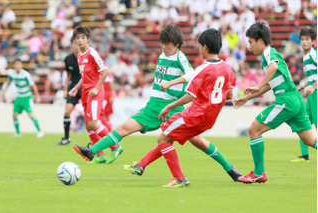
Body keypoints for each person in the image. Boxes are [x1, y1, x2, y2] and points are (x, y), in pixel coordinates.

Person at [72, 25, 242, 185]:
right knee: (130, 129)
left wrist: (171, 84)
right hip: (153, 105)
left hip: (171, 106)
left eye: (167, 44)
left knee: (172, 139)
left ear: (177, 44)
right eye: (162, 43)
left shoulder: (180, 57)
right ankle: (95, 152)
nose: (164, 47)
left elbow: (190, 73)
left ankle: (168, 173)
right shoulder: (162, 56)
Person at [123, 28, 242, 187]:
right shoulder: (228, 68)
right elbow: (228, 95)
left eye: (199, 46)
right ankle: (229, 168)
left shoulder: (202, 69)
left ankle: (179, 178)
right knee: (192, 140)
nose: (199, 49)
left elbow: (190, 96)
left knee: (163, 138)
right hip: (210, 118)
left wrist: (169, 107)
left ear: (205, 47)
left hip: (195, 115)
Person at [232, 22, 317, 184]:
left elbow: (273, 67)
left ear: (260, 41)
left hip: (286, 100)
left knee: (254, 129)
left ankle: (258, 174)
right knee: (310, 140)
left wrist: (257, 85)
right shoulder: (269, 54)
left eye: (250, 42)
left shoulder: (268, 53)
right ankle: (258, 173)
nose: (249, 47)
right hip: (296, 99)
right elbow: (270, 83)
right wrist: (246, 98)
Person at [69, 26, 122, 164]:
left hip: (95, 92)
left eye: (83, 38)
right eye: (77, 38)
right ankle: (101, 155)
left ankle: (115, 146)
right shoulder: (80, 56)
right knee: (88, 125)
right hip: (86, 92)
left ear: (88, 39)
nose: (80, 40)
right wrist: (76, 88)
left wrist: (97, 88)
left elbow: (105, 71)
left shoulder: (92, 52)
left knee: (93, 123)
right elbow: (84, 76)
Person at [291, 27, 317, 162]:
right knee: (303, 122)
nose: (304, 42)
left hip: (316, 93)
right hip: (311, 94)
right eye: (302, 39)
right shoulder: (306, 56)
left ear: (313, 41)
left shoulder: (313, 54)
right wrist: (302, 86)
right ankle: (305, 156)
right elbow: (312, 77)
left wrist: (313, 87)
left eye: (307, 39)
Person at [0, 59, 44, 138]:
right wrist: (3, 92)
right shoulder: (12, 74)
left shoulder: (25, 74)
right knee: (14, 115)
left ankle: (40, 131)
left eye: (19, 64)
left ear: (21, 65)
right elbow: (8, 82)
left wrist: (37, 96)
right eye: (16, 64)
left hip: (27, 97)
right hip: (19, 97)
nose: (17, 66)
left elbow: (33, 85)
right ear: (14, 65)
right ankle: (18, 133)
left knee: (30, 115)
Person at [57, 37, 81, 145]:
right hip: (73, 88)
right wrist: (65, 89)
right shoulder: (68, 59)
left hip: (86, 88)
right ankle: (66, 138)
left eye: (78, 44)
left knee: (91, 119)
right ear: (71, 45)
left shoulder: (86, 58)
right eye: (74, 44)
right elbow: (68, 76)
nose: (76, 46)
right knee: (67, 112)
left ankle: (96, 141)